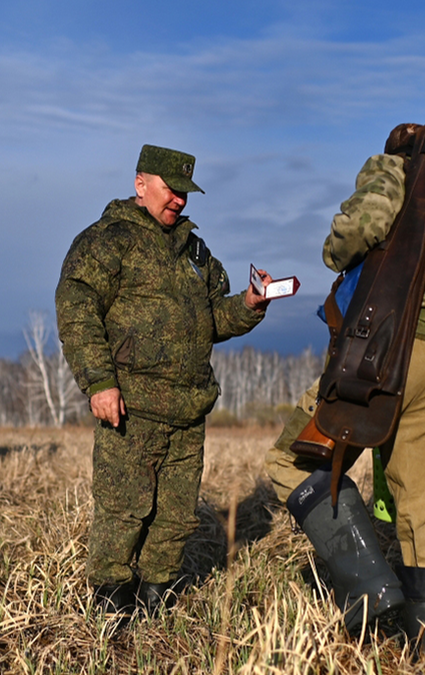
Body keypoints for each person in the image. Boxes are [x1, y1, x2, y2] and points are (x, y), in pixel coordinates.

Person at [264, 122, 425, 657]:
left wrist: (352, 218)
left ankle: (370, 590)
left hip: (388, 351)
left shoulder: (397, 171)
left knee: (292, 460)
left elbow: (346, 241)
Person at [56, 144, 271, 616]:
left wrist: (250, 305)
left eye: (186, 194)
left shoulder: (195, 250)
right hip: (131, 407)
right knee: (122, 512)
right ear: (141, 184)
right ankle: (110, 612)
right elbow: (76, 310)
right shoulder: (106, 240)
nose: (179, 202)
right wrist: (98, 382)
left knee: (175, 518)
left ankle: (155, 605)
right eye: (172, 191)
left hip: (188, 408)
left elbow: (214, 317)